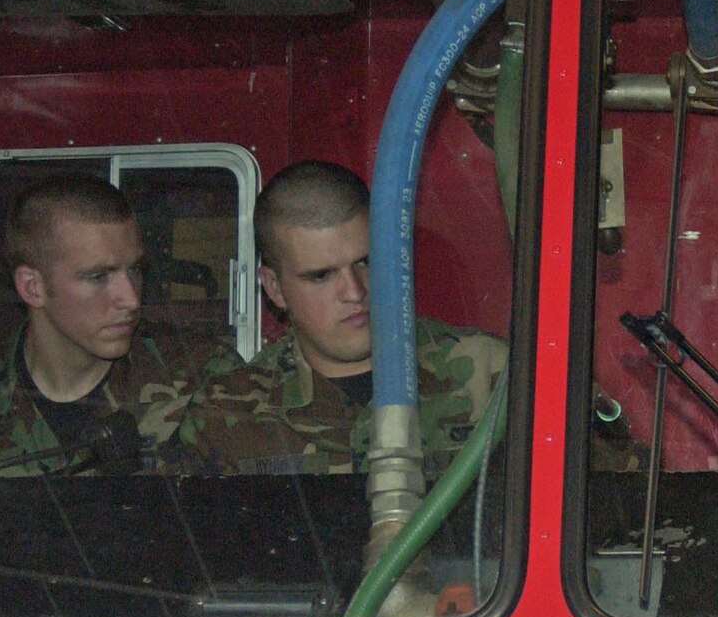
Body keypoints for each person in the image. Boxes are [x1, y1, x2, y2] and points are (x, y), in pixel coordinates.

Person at [0, 173, 242, 478]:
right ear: (32, 287)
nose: (130, 298)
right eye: (98, 277)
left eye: (135, 270)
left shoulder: (204, 382)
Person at [174, 160, 505, 476]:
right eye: (321, 276)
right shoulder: (227, 416)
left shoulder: (491, 376)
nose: (354, 291)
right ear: (275, 288)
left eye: (366, 261)